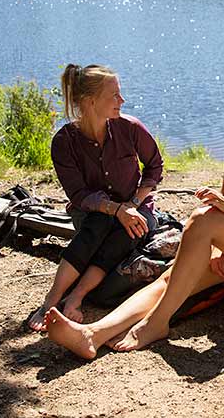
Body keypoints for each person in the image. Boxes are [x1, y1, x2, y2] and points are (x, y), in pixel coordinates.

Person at [43, 48, 224, 358]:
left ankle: (155, 324)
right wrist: (220, 245)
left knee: (205, 219)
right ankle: (93, 334)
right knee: (173, 277)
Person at [26, 64, 164, 331]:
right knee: (97, 225)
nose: (121, 101)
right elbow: (78, 194)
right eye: (114, 95)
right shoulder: (64, 142)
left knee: (128, 231)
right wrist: (114, 210)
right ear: (90, 101)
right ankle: (51, 300)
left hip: (137, 210)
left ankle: (75, 298)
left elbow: (155, 166)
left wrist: (133, 204)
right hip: (92, 214)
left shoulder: (130, 128)